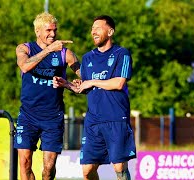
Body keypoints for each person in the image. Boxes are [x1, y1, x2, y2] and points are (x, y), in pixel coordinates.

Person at [54, 15, 136, 180]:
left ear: (110, 31)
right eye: (92, 29)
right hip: (93, 121)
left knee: (119, 167)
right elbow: (85, 87)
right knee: (87, 170)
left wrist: (91, 81)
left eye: (98, 28)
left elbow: (119, 83)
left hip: (116, 117)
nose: (93, 31)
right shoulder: (88, 58)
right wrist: (68, 84)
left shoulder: (122, 53)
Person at [14, 12, 80, 180]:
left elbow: (85, 82)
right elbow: (24, 66)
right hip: (28, 116)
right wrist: (49, 50)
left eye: (55, 30)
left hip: (53, 117)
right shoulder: (24, 49)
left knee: (48, 169)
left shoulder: (66, 54)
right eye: (48, 30)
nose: (53, 34)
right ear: (37, 31)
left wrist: (70, 85)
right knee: (25, 162)